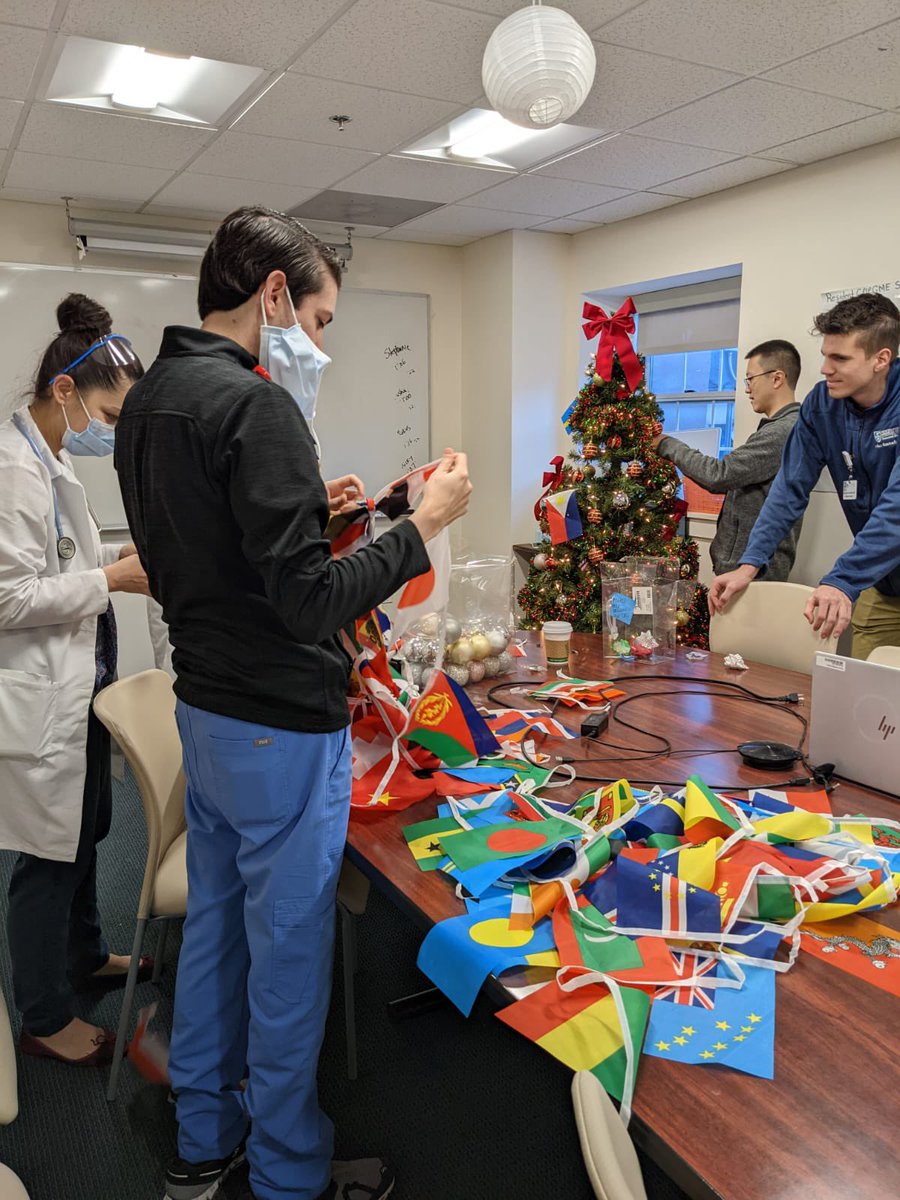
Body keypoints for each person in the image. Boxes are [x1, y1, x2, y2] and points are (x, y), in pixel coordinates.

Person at [114, 206, 471, 1200]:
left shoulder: (148, 402)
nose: (317, 344)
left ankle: (202, 1137)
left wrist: (322, 514)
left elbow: (211, 551)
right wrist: (420, 528)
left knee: (218, 936)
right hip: (279, 725)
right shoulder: (258, 407)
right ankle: (288, 1174)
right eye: (317, 320)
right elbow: (308, 598)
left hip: (209, 712)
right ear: (273, 295)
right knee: (286, 966)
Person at [0, 293, 151, 1067]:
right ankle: (42, 1013)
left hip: (80, 684)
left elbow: (59, 569)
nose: (113, 431)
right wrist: (113, 581)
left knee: (87, 834)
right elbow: (7, 597)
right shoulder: (11, 468)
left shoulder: (52, 459)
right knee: (45, 858)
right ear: (65, 391)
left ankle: (86, 955)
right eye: (111, 413)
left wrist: (107, 574)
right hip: (38, 699)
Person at [709, 293, 900, 655]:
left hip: (872, 569)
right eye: (826, 355)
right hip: (885, 583)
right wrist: (750, 564)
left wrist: (842, 581)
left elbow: (896, 510)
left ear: (881, 359)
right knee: (869, 701)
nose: (826, 368)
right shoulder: (821, 404)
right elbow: (788, 490)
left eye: (840, 358)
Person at [651, 340, 803, 579]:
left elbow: (719, 474)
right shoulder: (781, 427)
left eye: (750, 379)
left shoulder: (783, 432)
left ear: (776, 378)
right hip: (743, 567)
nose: (746, 388)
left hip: (753, 572)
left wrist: (665, 444)